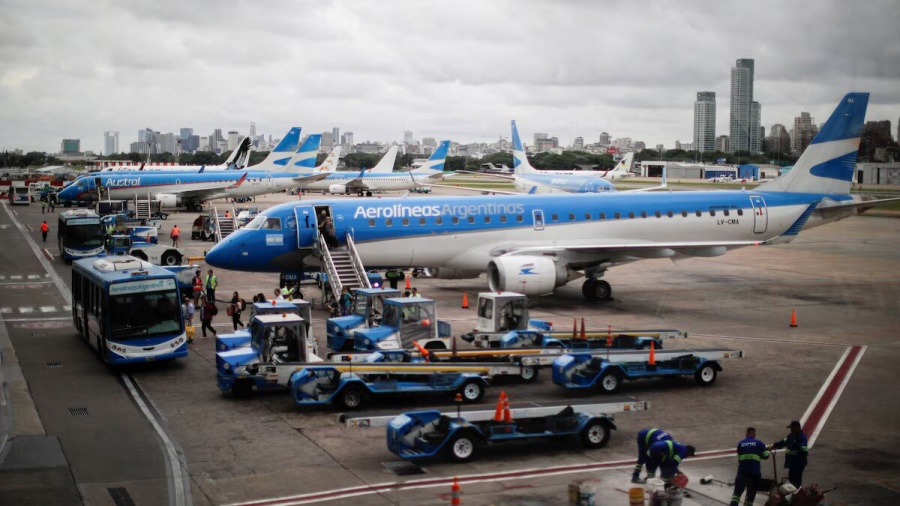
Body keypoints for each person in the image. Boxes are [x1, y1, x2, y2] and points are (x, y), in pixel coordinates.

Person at [730, 427, 770, 506]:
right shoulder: (759, 443)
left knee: (736, 495)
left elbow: (740, 456)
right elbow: (766, 456)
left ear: (746, 434)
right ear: (754, 434)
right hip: (754, 474)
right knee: (750, 496)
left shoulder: (740, 444)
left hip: (741, 474)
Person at [770, 421, 808, 487]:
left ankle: (795, 493)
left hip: (798, 463)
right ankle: (791, 492)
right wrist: (774, 446)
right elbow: (783, 442)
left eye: (792, 428)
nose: (791, 429)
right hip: (792, 463)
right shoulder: (791, 436)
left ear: (797, 427)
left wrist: (797, 451)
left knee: (796, 480)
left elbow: (804, 451)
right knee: (791, 478)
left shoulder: (801, 437)